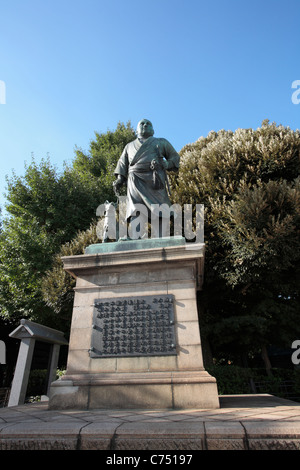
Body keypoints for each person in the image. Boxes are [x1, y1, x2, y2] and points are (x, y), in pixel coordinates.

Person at [113, 119, 180, 238]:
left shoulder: (161, 142)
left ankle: (161, 236)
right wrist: (120, 178)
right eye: (142, 124)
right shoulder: (129, 146)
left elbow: (175, 157)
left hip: (155, 179)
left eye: (148, 124)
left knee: (159, 208)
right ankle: (135, 236)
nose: (145, 125)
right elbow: (122, 163)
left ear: (153, 131)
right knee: (136, 207)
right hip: (134, 179)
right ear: (136, 130)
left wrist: (167, 164)